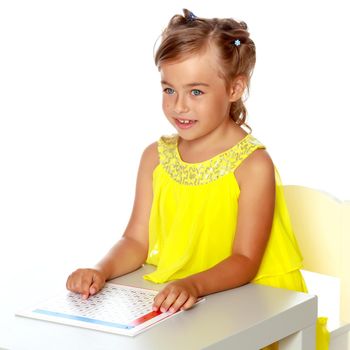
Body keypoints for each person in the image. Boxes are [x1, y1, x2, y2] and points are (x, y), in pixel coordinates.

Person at [66, 9, 328, 350]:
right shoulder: (155, 157)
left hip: (250, 303)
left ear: (234, 88)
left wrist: (193, 285)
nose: (179, 106)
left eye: (196, 92)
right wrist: (100, 270)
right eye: (169, 89)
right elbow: (135, 241)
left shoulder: (252, 165)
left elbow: (245, 261)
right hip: (185, 304)